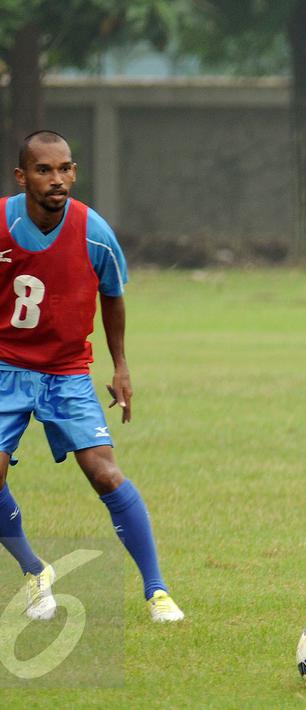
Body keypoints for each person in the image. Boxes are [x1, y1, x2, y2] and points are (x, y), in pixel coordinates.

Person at [0, 130, 184, 623]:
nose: (57, 179)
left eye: (65, 168)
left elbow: (113, 296)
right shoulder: (0, 223)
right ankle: (35, 571)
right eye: (44, 170)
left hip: (66, 371)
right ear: (22, 177)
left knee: (104, 472)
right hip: (6, 367)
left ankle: (157, 591)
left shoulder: (93, 231)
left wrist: (120, 366)